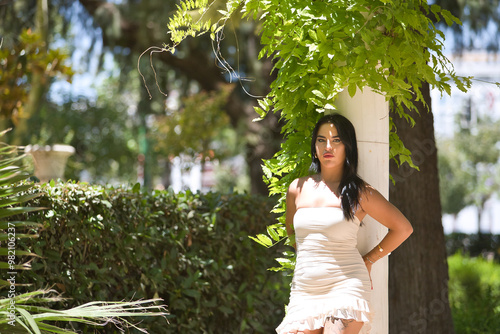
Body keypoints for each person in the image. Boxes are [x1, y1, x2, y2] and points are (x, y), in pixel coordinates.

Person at [276, 113, 413, 334]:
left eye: (336, 140)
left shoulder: (360, 192)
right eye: (321, 140)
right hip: (305, 289)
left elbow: (403, 228)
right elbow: (292, 233)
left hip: (346, 287)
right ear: (314, 146)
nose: (328, 146)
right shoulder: (297, 188)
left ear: (348, 146)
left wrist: (369, 259)